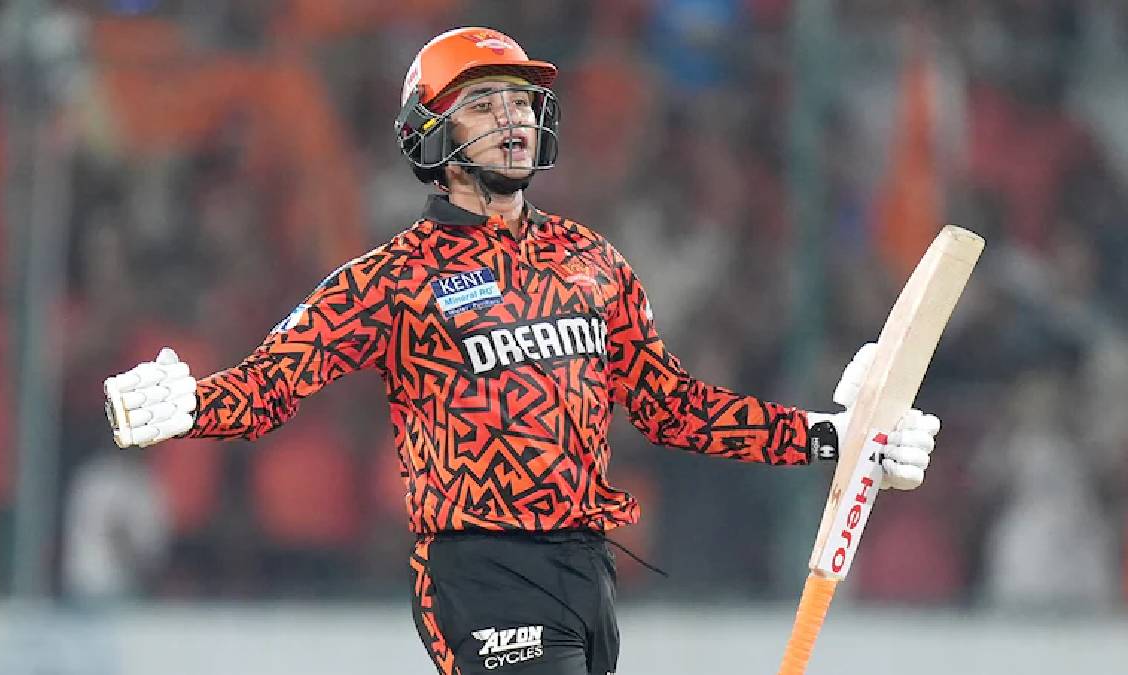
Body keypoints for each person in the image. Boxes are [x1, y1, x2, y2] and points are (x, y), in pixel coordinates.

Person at [102, 27, 940, 675]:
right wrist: (192, 404)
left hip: (587, 571)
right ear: (429, 133)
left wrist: (831, 436)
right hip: (479, 570)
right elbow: (274, 381)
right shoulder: (395, 277)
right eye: (484, 103)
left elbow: (673, 406)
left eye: (521, 101)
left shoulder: (593, 261)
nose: (513, 119)